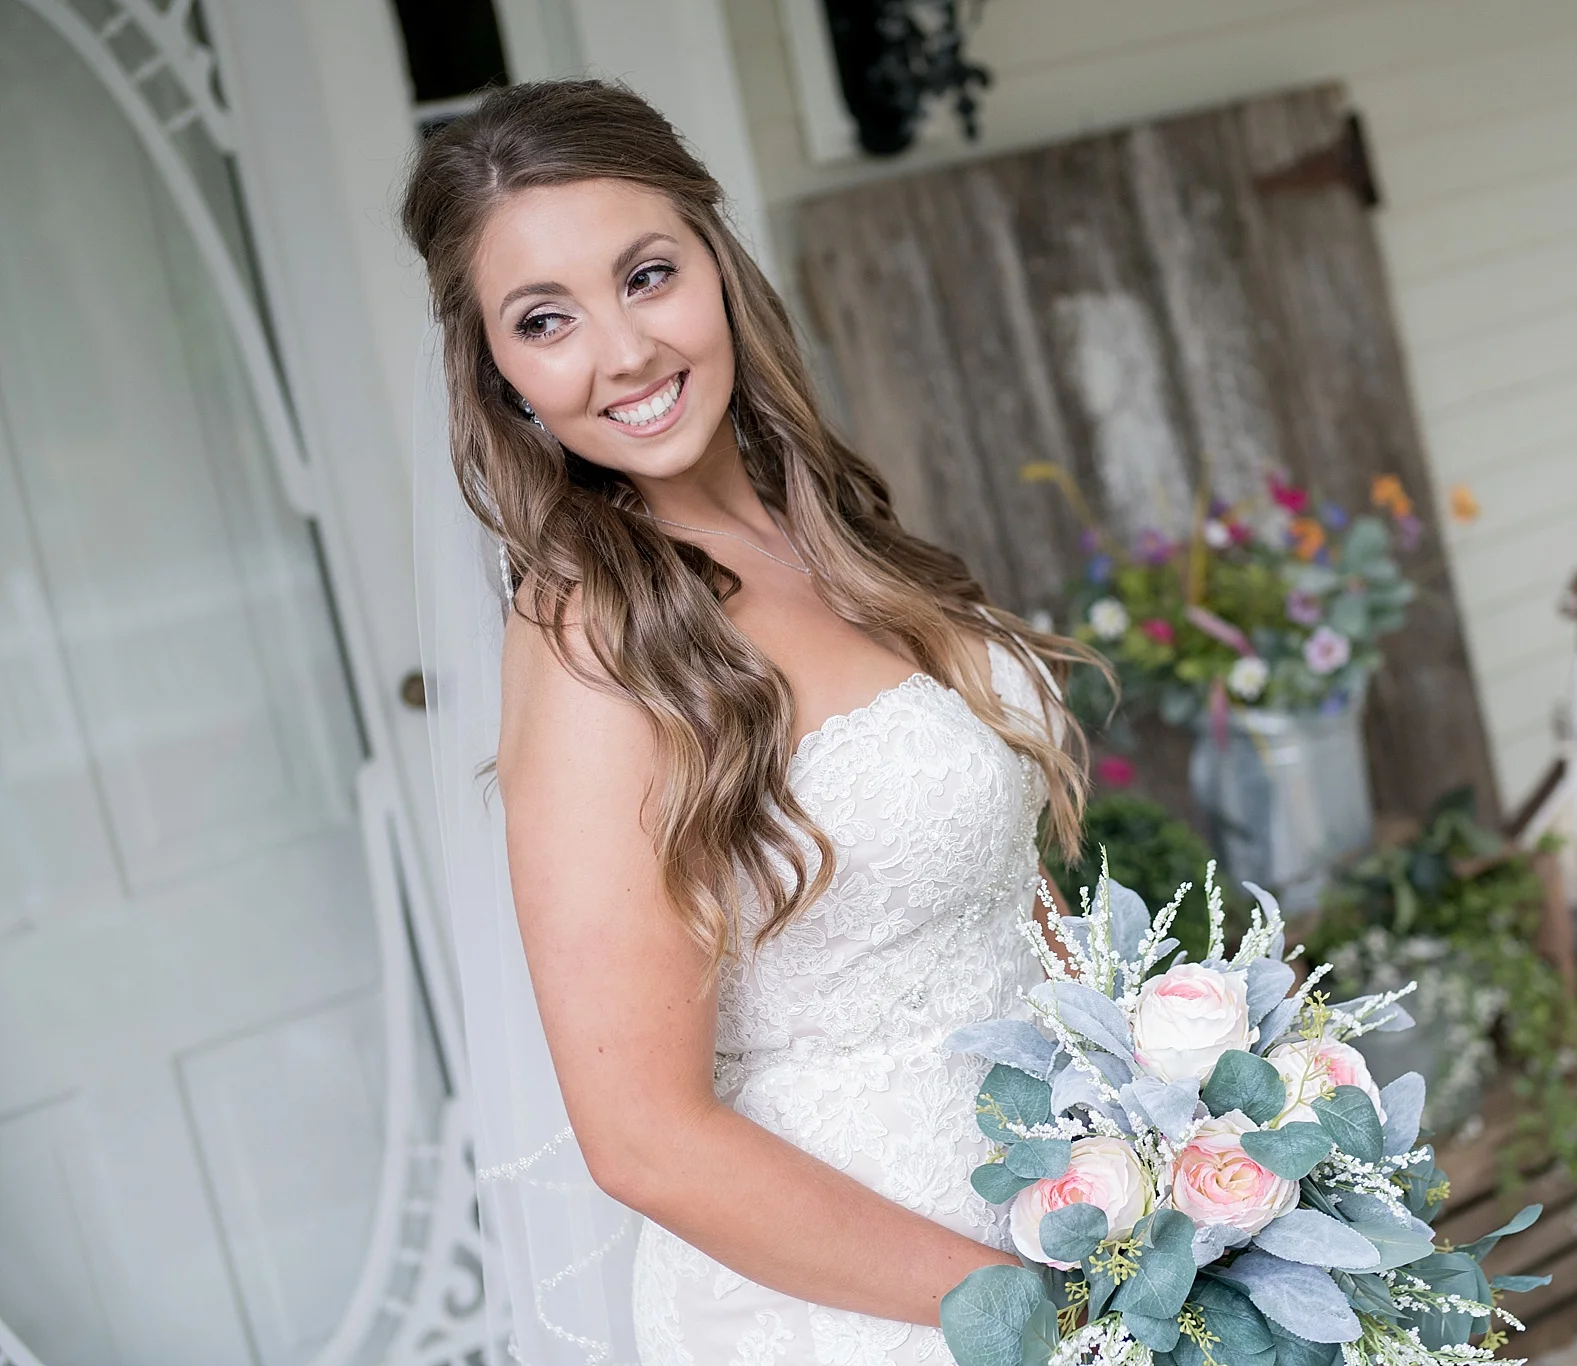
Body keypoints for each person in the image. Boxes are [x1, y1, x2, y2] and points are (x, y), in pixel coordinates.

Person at [400, 79, 1091, 1366]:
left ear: (714, 263)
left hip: (1070, 1201)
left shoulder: (815, 518)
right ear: (498, 374)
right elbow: (642, 1139)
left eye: (645, 275)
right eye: (545, 320)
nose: (622, 352)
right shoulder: (594, 645)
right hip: (879, 1297)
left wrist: (1158, 1118)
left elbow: (984, 880)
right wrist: (1038, 1313)